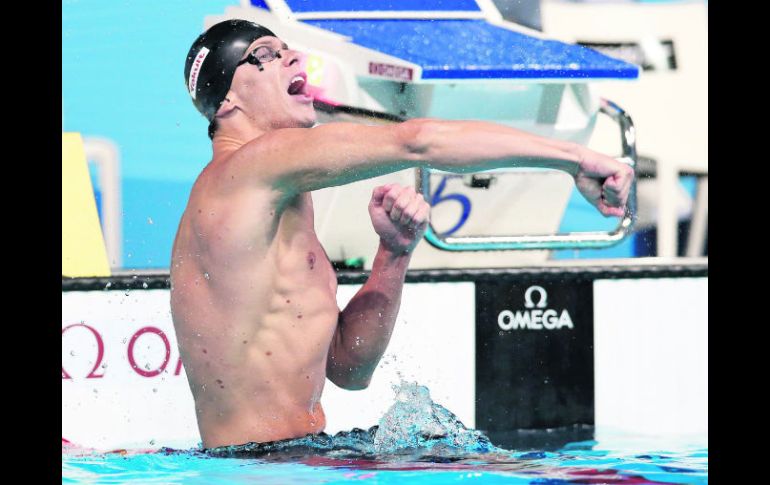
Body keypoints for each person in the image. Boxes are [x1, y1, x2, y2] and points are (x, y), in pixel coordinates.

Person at [171, 19, 633, 449]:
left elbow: (348, 368)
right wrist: (574, 158)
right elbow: (418, 141)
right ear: (226, 100)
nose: (294, 58)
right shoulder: (247, 168)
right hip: (265, 469)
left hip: (298, 456)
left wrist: (392, 253)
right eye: (266, 55)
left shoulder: (278, 198)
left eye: (289, 48)